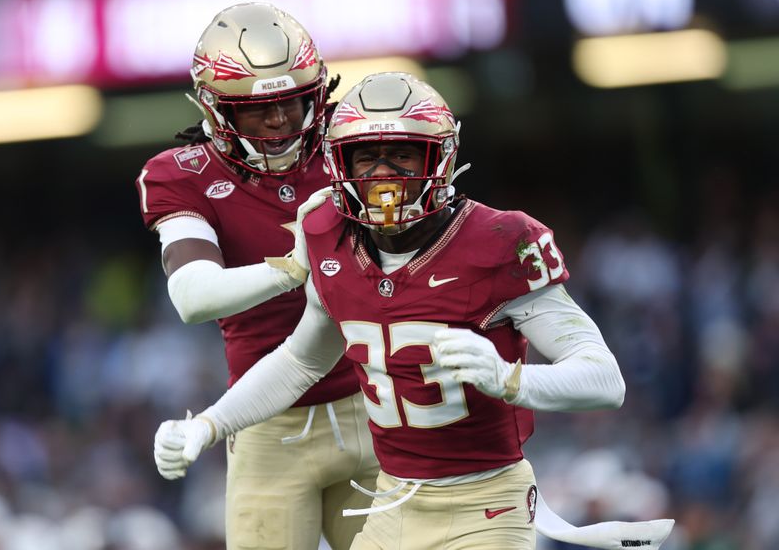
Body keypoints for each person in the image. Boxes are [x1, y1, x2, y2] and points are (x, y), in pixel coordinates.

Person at [153, 73, 674, 549]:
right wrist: (209, 425)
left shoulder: (500, 240)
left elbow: (606, 381)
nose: (384, 175)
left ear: (439, 159)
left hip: (485, 504)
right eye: (366, 157)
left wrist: (511, 379)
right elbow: (301, 363)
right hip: (392, 502)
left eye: (403, 154)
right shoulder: (327, 237)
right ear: (339, 165)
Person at [135, 3, 378, 550]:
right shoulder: (183, 174)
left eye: (292, 103)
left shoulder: (353, 141)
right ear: (216, 110)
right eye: (257, 110)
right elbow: (194, 297)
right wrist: (291, 269)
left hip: (376, 403)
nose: (279, 122)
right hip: (269, 420)